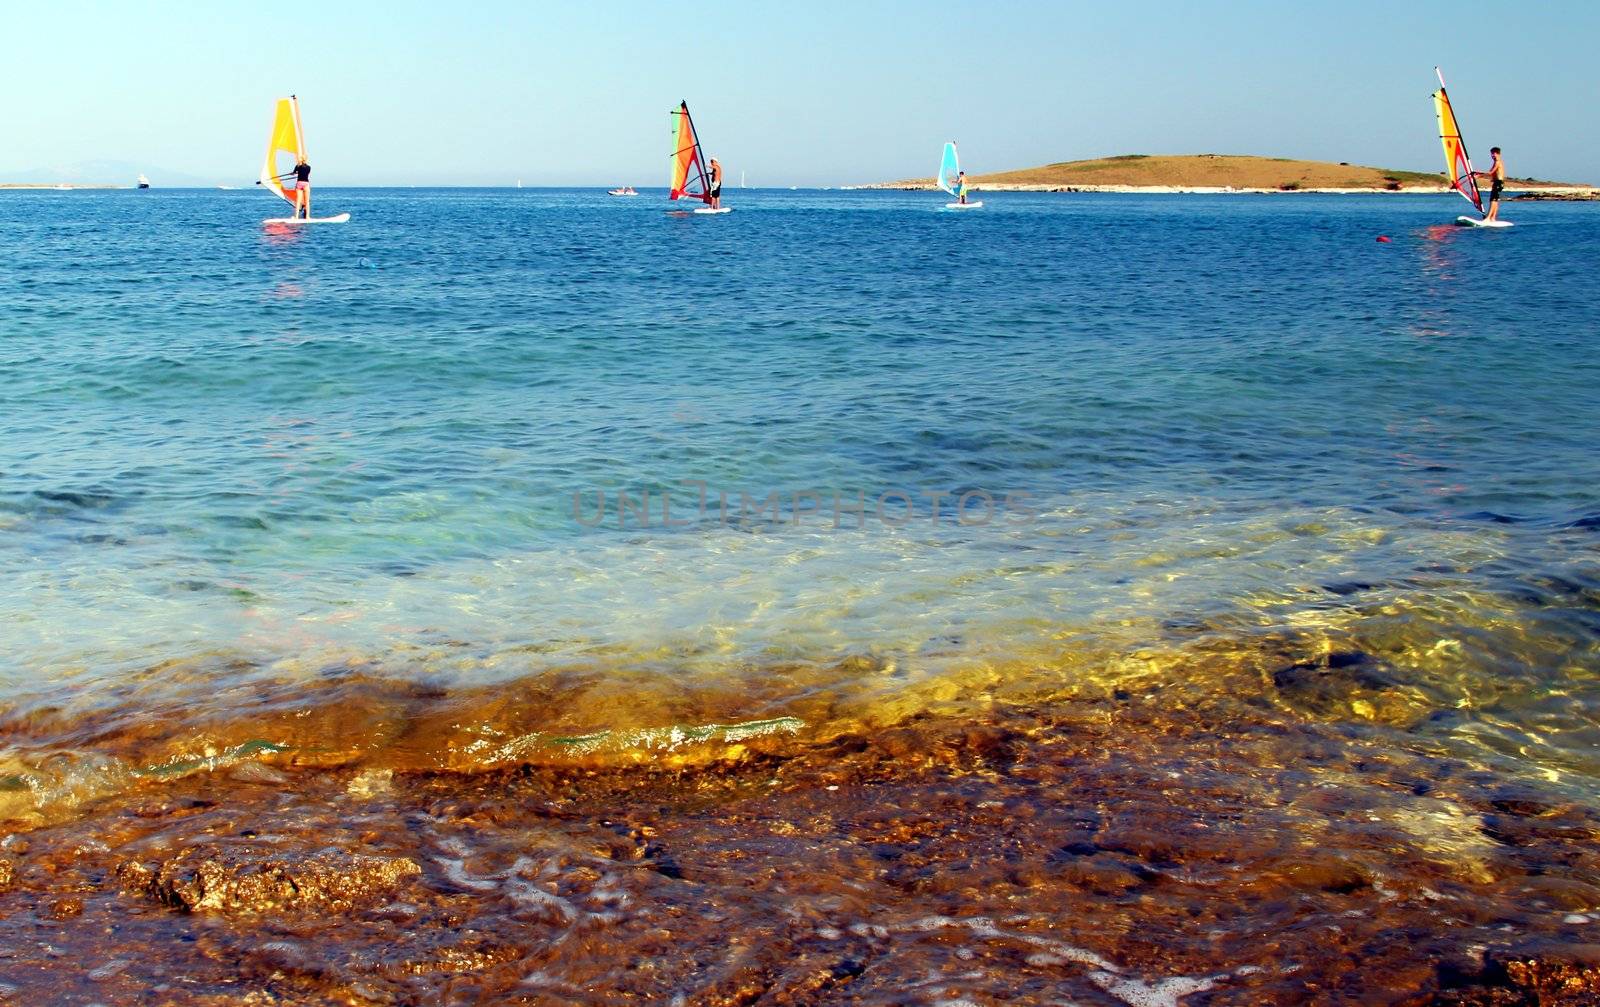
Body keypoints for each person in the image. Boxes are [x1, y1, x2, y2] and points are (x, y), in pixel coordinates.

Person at [1473, 146, 1505, 222]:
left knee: (1493, 200)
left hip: (1498, 183)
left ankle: (1488, 218)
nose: (1492, 156)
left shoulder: (1497, 162)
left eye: (1494, 154)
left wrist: (1479, 176)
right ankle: (1493, 218)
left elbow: (1491, 172)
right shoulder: (1497, 162)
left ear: (1498, 154)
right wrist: (1479, 173)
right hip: (1499, 183)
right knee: (1495, 201)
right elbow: (1494, 173)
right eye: (1491, 154)